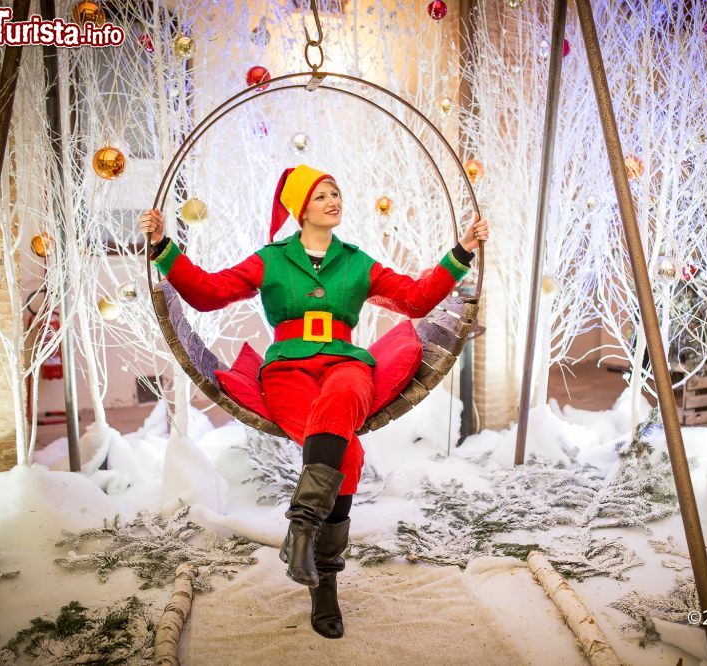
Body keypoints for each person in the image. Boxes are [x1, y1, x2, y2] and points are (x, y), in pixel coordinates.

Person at [138, 164, 488, 639]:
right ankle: (325, 584)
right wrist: (162, 247)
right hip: (287, 369)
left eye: (337, 193)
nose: (333, 200)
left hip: (347, 363)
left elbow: (416, 299)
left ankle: (302, 527)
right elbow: (209, 293)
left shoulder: (357, 261)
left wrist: (462, 251)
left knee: (344, 395)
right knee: (350, 451)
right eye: (322, 195)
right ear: (301, 208)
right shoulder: (272, 259)